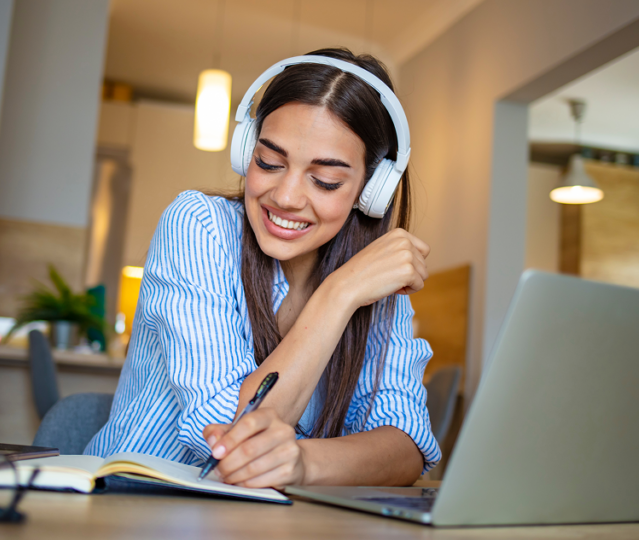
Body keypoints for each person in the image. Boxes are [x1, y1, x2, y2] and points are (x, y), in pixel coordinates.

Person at [85, 48, 440, 488]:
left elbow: (406, 445)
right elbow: (230, 440)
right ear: (245, 152)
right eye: (269, 163)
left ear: (371, 191)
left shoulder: (374, 280)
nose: (286, 196)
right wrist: (337, 295)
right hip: (131, 506)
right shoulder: (200, 226)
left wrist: (303, 463)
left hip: (266, 524)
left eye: (325, 181)